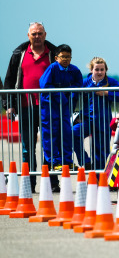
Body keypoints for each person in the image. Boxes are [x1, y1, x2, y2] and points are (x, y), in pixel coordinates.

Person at [3, 22, 57, 192]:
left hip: (48, 107)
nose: (37, 36)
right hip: (25, 106)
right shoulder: (19, 54)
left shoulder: (54, 53)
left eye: (40, 33)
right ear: (28, 36)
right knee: (28, 147)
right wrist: (9, 105)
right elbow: (9, 80)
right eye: (34, 34)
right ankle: (29, 183)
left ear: (45, 34)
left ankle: (52, 183)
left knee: (49, 146)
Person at [72, 57, 119, 170]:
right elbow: (73, 96)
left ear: (106, 70)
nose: (99, 72)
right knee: (73, 133)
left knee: (101, 151)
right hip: (86, 119)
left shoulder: (110, 82)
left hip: (103, 120)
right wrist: (74, 115)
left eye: (102, 69)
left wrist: (106, 93)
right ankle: (85, 161)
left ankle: (99, 179)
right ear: (91, 70)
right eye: (97, 69)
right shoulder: (84, 82)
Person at [39, 44, 83, 172]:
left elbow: (79, 85)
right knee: (51, 134)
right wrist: (61, 95)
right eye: (63, 57)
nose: (65, 59)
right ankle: (55, 162)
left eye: (68, 57)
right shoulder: (52, 69)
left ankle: (68, 161)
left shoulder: (74, 70)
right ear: (56, 57)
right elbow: (45, 85)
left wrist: (69, 95)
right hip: (50, 108)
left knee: (66, 133)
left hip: (65, 108)